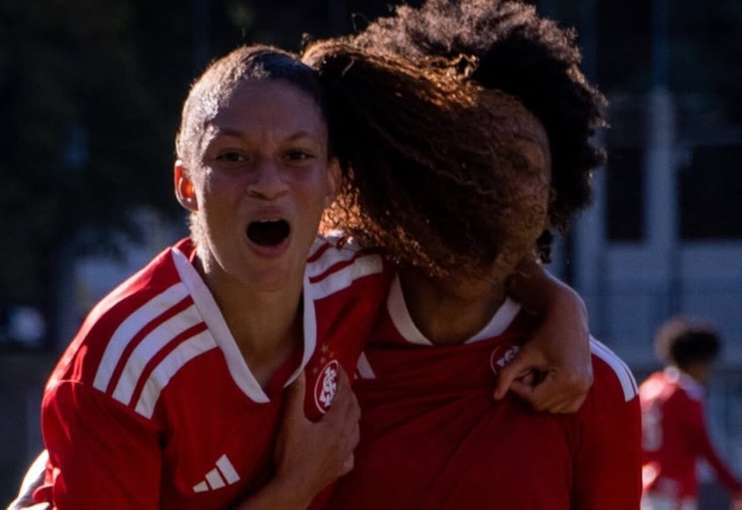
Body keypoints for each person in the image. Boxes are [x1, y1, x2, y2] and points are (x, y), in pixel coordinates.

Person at [9, 43, 595, 510]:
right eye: (232, 157)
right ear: (186, 183)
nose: (268, 183)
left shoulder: (353, 274)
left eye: (296, 156)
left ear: (333, 181)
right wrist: (295, 489)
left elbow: (472, 260)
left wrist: (562, 308)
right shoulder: (124, 363)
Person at [300, 1, 642, 507]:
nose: (489, 190)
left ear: (552, 196)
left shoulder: (594, 387)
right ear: (403, 171)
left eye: (521, 166)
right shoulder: (317, 340)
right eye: (463, 158)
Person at [641, 317, 742, 510]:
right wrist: (735, 486)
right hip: (675, 491)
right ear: (697, 362)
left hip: (646, 486)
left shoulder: (649, 388)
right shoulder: (685, 394)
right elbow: (702, 444)